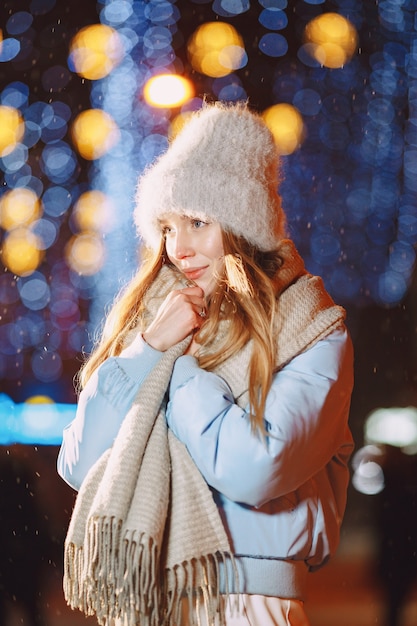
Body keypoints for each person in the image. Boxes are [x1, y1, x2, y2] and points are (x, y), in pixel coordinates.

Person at [57, 101, 354, 626]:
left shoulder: (310, 328)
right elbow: (81, 466)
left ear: (244, 226)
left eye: (197, 222)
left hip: (252, 605)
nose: (179, 248)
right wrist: (150, 347)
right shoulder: (155, 322)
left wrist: (185, 371)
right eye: (168, 227)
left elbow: (254, 467)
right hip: (154, 601)